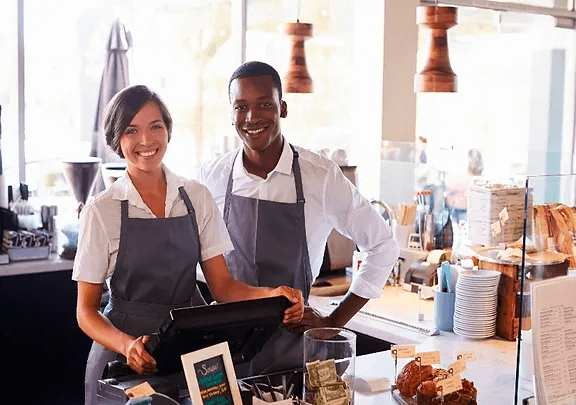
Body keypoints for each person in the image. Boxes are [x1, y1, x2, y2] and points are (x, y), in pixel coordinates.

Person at [73, 84, 304, 405]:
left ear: (168, 131)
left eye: (155, 127)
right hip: (124, 358)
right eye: (131, 130)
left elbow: (223, 287)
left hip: (192, 350)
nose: (146, 141)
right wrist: (127, 345)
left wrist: (272, 295)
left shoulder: (196, 197)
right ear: (117, 140)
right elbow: (86, 312)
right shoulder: (102, 209)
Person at [198, 61, 399, 376]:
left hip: (293, 350)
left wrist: (332, 324)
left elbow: (384, 245)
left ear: (283, 107)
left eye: (264, 104)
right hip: (226, 350)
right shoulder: (212, 176)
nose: (251, 117)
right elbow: (194, 258)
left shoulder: (319, 176)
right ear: (231, 114)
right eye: (241, 107)